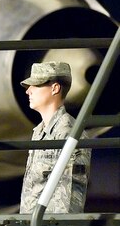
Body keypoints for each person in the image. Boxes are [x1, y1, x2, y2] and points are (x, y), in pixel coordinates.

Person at [19, 61, 91, 214]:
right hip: (31, 223)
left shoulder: (69, 133)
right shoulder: (39, 131)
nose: (28, 91)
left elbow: (69, 197)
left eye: (36, 85)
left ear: (55, 88)